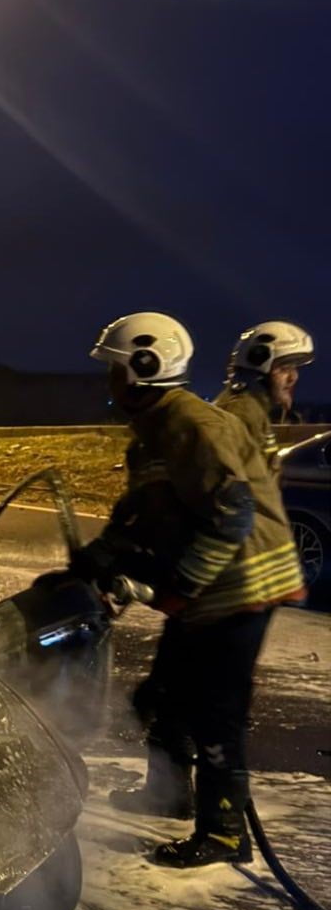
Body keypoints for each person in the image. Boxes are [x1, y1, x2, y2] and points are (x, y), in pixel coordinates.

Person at [72, 312, 305, 868]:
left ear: (144, 368)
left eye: (116, 370)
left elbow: (232, 516)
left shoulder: (193, 426)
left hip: (241, 586)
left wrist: (181, 586)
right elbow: (146, 511)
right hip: (215, 587)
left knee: (215, 711)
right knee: (163, 695)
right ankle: (172, 794)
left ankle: (225, 833)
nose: (110, 382)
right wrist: (103, 555)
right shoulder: (156, 430)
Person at [214, 321, 315, 469]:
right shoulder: (244, 413)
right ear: (259, 373)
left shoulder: (253, 409)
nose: (293, 377)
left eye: (295, 368)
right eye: (284, 369)